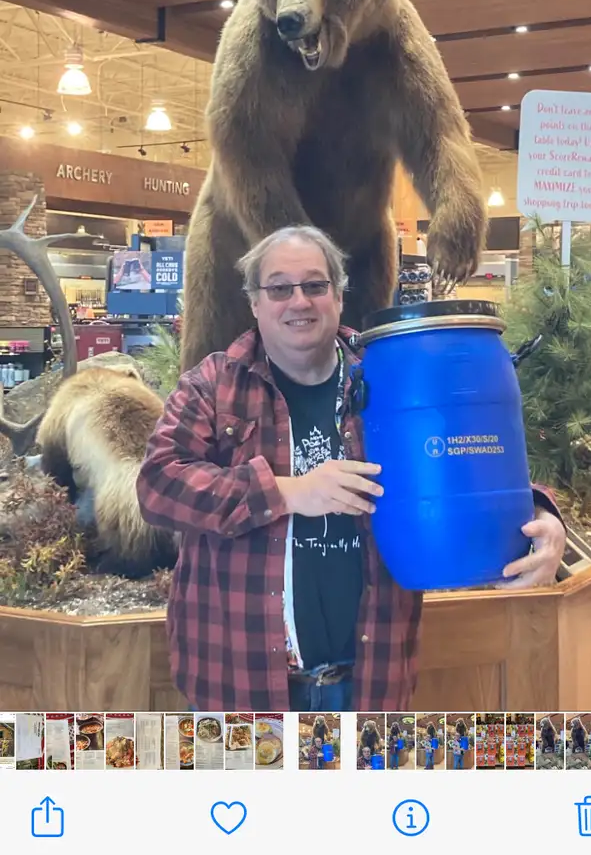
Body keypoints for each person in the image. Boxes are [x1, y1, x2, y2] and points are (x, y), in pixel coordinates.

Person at [137, 224, 567, 713]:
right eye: (279, 288)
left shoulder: (392, 374)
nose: (298, 301)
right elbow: (158, 485)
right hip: (238, 685)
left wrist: (541, 515)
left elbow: (472, 459)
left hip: (370, 685)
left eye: (315, 285)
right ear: (254, 302)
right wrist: (286, 492)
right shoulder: (214, 384)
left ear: (339, 296)